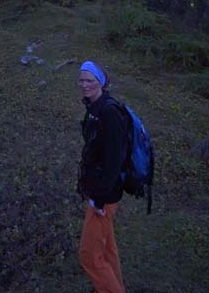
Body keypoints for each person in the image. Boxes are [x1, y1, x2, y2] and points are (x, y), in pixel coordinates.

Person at [77, 60, 127, 293]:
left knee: (89, 256)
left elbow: (114, 160)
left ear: (101, 82)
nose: (84, 85)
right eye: (82, 80)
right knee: (107, 250)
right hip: (101, 191)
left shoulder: (109, 112)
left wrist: (99, 198)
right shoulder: (95, 108)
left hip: (104, 195)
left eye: (90, 80)